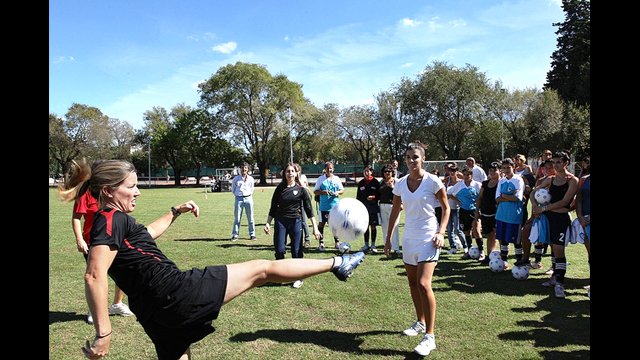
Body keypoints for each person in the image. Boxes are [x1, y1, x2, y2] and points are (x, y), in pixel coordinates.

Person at [58, 159, 365, 360]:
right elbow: (94, 275)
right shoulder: (107, 220)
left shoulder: (115, 220)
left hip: (155, 312)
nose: (137, 191)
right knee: (262, 269)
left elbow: (146, 235)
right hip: (176, 292)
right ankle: (339, 263)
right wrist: (104, 332)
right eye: (131, 186)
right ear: (110, 191)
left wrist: (175, 211)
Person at [383, 141, 450, 356]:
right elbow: (395, 211)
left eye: (416, 157)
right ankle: (420, 322)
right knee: (412, 283)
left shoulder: (433, 181)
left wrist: (441, 233)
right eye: (409, 158)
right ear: (405, 160)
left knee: (423, 284)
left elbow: (446, 209)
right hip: (409, 238)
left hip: (428, 238)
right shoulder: (400, 184)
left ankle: (429, 336)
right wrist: (388, 238)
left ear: (423, 160)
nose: (413, 161)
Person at [66, 159, 134, 324]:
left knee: (125, 273)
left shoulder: (112, 192)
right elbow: (76, 218)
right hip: (93, 242)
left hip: (115, 239)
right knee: (97, 276)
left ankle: (117, 304)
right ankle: (94, 310)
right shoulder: (86, 193)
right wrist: (79, 239)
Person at [264, 163, 322, 289]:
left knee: (296, 251)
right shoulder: (279, 189)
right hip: (280, 222)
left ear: (296, 174)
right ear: (284, 174)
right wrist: (268, 223)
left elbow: (309, 210)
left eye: (292, 171)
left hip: (295, 222)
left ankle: (298, 277)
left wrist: (315, 228)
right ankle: (278, 277)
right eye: (287, 171)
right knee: (279, 250)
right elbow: (273, 207)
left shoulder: (301, 190)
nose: (290, 173)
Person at [532, 151, 578, 299]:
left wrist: (544, 208)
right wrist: (534, 206)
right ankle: (554, 279)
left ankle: (560, 284)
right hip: (547, 219)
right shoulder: (550, 179)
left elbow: (566, 202)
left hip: (560, 220)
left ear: (566, 163)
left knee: (559, 251)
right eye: (554, 162)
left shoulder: (572, 180)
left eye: (559, 162)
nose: (556, 165)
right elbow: (533, 193)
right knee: (552, 247)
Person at [314, 161, 345, 251]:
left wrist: (337, 192)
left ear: (333, 169)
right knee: (322, 224)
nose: (329, 170)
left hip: (335, 206)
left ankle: (337, 242)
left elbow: (342, 190)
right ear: (325, 169)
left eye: (331, 168)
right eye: (327, 168)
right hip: (324, 206)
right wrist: (323, 192)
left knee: (335, 224)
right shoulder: (320, 179)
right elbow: (315, 191)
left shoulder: (336, 178)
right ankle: (321, 243)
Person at [356, 165, 381, 253]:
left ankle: (373, 245)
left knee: (373, 226)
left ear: (371, 172)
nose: (367, 173)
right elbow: (358, 197)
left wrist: (373, 197)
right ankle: (366, 244)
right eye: (365, 171)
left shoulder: (375, 182)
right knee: (365, 226)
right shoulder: (361, 183)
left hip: (373, 207)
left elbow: (379, 195)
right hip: (364, 208)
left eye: (368, 171)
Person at [230, 163, 256, 241]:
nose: (243, 169)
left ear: (247, 169)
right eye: (242, 168)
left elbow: (252, 189)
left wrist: (247, 195)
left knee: (250, 218)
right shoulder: (236, 179)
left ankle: (252, 234)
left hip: (248, 199)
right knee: (237, 218)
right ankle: (235, 235)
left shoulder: (251, 179)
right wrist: (238, 195)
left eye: (245, 168)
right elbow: (233, 189)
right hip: (239, 199)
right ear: (240, 169)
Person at [379, 164, 400, 256]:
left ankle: (396, 248)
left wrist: (392, 186)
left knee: (394, 227)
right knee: (385, 227)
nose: (387, 173)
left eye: (389, 171)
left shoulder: (396, 181)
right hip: (382, 206)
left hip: (393, 206)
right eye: (385, 171)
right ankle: (387, 246)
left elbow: (400, 194)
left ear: (392, 172)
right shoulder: (381, 182)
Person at [295, 164, 312, 248]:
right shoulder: (291, 178)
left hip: (303, 202)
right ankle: (296, 239)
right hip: (295, 202)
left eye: (298, 170)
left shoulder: (303, 177)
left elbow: (304, 187)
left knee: (304, 222)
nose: (296, 172)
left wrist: (298, 178)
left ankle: (307, 239)